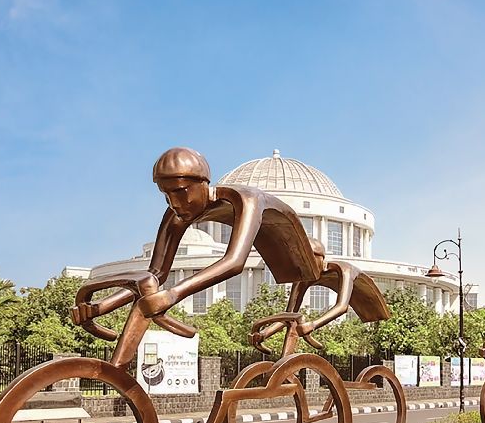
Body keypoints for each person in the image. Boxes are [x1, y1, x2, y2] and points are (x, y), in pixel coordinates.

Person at [71, 147, 320, 366]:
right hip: (274, 251)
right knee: (147, 299)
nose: (174, 202)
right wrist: (100, 307)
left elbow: (233, 263)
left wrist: (173, 294)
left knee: (303, 293)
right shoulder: (175, 215)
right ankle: (118, 369)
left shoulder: (245, 199)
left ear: (203, 184)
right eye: (166, 194)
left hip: (301, 255)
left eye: (180, 192)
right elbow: (154, 275)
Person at [249, 238, 389, 357]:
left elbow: (342, 307)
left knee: (298, 323)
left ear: (320, 258)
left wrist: (313, 324)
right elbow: (289, 316)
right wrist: (264, 334)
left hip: (367, 297)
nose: (304, 265)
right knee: (293, 322)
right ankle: (284, 365)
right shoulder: (304, 277)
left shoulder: (344, 269)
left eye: (308, 260)